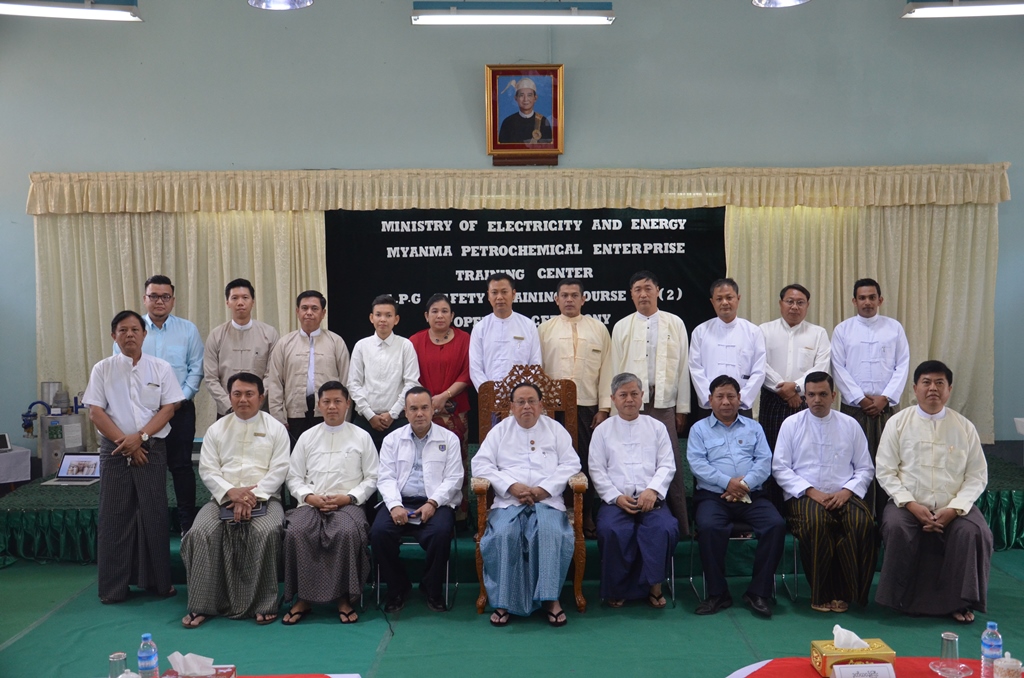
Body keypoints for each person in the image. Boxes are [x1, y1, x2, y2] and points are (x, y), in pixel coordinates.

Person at [874, 360, 992, 624]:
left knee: (974, 532)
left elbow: (977, 475)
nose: (933, 389)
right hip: (908, 505)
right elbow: (885, 471)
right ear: (915, 388)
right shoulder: (897, 423)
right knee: (897, 527)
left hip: (954, 506)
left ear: (949, 389)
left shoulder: (964, 427)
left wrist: (955, 509)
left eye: (940, 383)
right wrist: (910, 504)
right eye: (926, 382)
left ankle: (960, 602)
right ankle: (901, 600)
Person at [84, 310, 183, 604]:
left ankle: (158, 583)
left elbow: (169, 408)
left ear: (144, 334)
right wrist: (126, 444)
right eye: (123, 330)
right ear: (113, 336)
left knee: (154, 513)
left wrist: (140, 439)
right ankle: (113, 589)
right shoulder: (102, 369)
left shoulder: (160, 367)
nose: (129, 335)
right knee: (114, 516)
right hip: (114, 450)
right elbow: (95, 412)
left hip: (151, 448)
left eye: (135, 330)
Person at [180, 372, 290, 627]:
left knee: (266, 531)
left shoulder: (276, 429)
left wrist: (249, 497)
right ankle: (201, 605)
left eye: (249, 394)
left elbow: (280, 469)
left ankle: (264, 604)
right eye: (237, 394)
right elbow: (208, 469)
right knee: (200, 532)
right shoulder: (216, 429)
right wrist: (231, 492)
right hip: (222, 499)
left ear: (261, 397)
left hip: (265, 499)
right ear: (229, 397)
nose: (243, 399)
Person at [472, 382, 581, 627]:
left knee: (550, 533)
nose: (527, 407)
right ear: (511, 407)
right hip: (509, 501)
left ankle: (551, 599)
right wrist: (510, 485)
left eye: (532, 401)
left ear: (541, 405)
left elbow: (571, 464)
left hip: (548, 500)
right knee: (504, 534)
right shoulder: (500, 431)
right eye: (520, 402)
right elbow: (480, 464)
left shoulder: (555, 430)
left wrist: (545, 489)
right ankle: (503, 601)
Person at [771, 371, 876, 613]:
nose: (817, 400)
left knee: (862, 523)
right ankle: (822, 592)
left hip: (845, 495)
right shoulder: (792, 424)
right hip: (804, 496)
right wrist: (810, 491)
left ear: (833, 396)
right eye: (811, 395)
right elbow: (780, 468)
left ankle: (847, 592)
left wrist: (847, 492)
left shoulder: (850, 425)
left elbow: (865, 468)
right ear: (805, 396)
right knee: (817, 522)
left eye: (822, 394)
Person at [687, 375, 785, 618]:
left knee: (775, 525)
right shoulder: (698, 429)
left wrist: (743, 485)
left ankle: (758, 592)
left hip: (752, 494)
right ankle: (718, 593)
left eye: (731, 396)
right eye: (720, 396)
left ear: (739, 399)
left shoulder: (754, 427)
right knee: (709, 527)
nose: (726, 401)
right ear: (710, 400)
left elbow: (764, 461)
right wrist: (728, 483)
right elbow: (697, 464)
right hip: (713, 496)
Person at [281, 382, 378, 625]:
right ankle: (304, 599)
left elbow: (373, 477)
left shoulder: (362, 436)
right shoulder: (307, 437)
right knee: (297, 532)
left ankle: (344, 598)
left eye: (337, 401)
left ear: (348, 404)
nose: (332, 406)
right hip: (311, 502)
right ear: (319, 405)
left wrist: (350, 497)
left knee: (345, 532)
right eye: (326, 402)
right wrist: (308, 497)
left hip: (348, 504)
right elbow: (293, 476)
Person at [116, 274, 203, 533]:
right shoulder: (131, 330)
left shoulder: (188, 329)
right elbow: (120, 368)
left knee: (182, 467)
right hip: (141, 411)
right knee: (146, 468)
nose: (159, 301)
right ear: (145, 299)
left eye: (165, 296)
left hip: (179, 410)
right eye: (153, 296)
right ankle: (150, 525)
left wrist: (177, 401)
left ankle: (187, 525)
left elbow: (196, 369)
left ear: (173, 300)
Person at [609, 270, 690, 536]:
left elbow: (683, 367)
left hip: (664, 402)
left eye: (648, 288)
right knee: (630, 459)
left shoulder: (675, 323)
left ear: (658, 291)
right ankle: (629, 514)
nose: (643, 294)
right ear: (631, 295)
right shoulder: (622, 326)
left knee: (670, 461)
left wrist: (682, 408)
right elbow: (615, 369)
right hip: (631, 405)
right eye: (638, 290)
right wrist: (614, 410)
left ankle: (679, 524)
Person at [370, 387, 463, 613]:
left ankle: (431, 589)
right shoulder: (392, 439)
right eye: (413, 408)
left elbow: (454, 479)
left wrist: (433, 503)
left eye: (424, 408)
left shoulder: (449, 439)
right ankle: (397, 588)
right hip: (400, 501)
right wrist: (395, 505)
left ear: (433, 410)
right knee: (379, 533)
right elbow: (386, 477)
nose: (419, 413)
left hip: (436, 502)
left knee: (441, 533)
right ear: (405, 412)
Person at [589, 372, 678, 609]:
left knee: (665, 528)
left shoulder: (657, 427)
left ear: (642, 396)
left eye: (634, 394)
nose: (629, 399)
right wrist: (616, 497)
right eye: (623, 395)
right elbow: (596, 470)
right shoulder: (602, 430)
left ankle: (654, 585)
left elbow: (667, 464)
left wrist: (653, 490)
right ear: (613, 399)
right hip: (616, 501)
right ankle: (617, 589)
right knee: (611, 530)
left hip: (651, 499)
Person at [538, 278, 613, 537]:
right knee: (553, 460)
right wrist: (542, 408)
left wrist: (604, 408)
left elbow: (607, 369)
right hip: (553, 409)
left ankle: (587, 513)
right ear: (556, 300)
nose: (569, 300)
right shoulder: (544, 330)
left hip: (588, 407)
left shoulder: (598, 329)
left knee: (587, 461)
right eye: (564, 295)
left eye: (574, 295)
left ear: (584, 299)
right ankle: (556, 511)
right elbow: (539, 371)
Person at [830, 277, 910, 516]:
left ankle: (887, 513)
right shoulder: (843, 330)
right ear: (854, 301)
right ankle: (857, 514)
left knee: (888, 460)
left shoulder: (894, 328)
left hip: (885, 407)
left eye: (872, 297)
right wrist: (860, 399)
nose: (867, 302)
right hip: (855, 408)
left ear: (880, 300)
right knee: (855, 460)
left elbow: (902, 365)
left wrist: (885, 397)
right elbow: (838, 367)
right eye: (862, 298)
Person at [409, 293, 472, 521]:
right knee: (425, 462)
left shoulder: (465, 339)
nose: (440, 315)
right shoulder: (414, 341)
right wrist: (429, 401)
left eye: (445, 311)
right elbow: (409, 374)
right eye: (434, 311)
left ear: (452, 315)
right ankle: (423, 510)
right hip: (423, 412)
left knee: (456, 462)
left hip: (455, 411)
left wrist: (445, 396)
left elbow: (468, 372)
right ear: (426, 316)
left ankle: (459, 515)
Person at [267, 290, 351, 446]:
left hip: (328, 413)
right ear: (297, 311)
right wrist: (278, 419)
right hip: (295, 415)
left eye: (314, 308)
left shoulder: (336, 342)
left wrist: (344, 417)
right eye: (304, 308)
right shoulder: (284, 344)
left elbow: (346, 382)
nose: (309, 313)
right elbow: (275, 383)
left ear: (323, 313)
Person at [757, 284, 831, 450]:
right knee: (772, 448)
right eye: (790, 301)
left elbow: (821, 368)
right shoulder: (764, 330)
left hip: (805, 400)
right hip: (772, 399)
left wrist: (796, 387)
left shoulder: (818, 333)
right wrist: (784, 390)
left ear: (807, 305)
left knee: (805, 449)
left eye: (800, 302)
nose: (795, 307)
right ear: (780, 303)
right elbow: (760, 364)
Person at [348, 294, 421, 450]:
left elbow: (411, 383)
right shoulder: (361, 346)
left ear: (396, 319)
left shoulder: (405, 345)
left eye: (388, 315)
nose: (383, 319)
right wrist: (370, 415)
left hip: (398, 419)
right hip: (365, 419)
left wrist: (392, 414)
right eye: (378, 315)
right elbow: (353, 384)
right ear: (371, 318)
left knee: (401, 463)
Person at [689, 278, 766, 416]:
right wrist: (711, 398)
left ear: (738, 298)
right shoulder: (700, 331)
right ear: (712, 302)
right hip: (709, 406)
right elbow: (695, 368)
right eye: (719, 299)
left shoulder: (753, 332)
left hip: (741, 405)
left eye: (729, 297)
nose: (725, 302)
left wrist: (741, 398)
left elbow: (759, 370)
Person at [203, 278, 279, 418]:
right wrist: (230, 404)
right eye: (234, 298)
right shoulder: (216, 335)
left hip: (260, 410)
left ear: (253, 302)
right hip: (227, 411)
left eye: (245, 297)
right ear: (227, 302)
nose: (240, 302)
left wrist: (255, 401)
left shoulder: (269, 333)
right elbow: (211, 378)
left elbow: (272, 374)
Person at [468, 273, 542, 390]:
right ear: (488, 296)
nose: (499, 297)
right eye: (494, 292)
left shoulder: (528, 326)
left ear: (513, 294)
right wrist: (489, 393)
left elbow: (535, 364)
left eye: (504, 292)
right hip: (489, 396)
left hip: (522, 396)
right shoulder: (480, 328)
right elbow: (475, 369)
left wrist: (521, 393)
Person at [497, 77, 553, 144]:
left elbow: (549, 148)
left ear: (535, 98)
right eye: (521, 95)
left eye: (529, 95)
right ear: (516, 98)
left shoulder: (543, 121)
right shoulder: (508, 123)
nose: (525, 99)